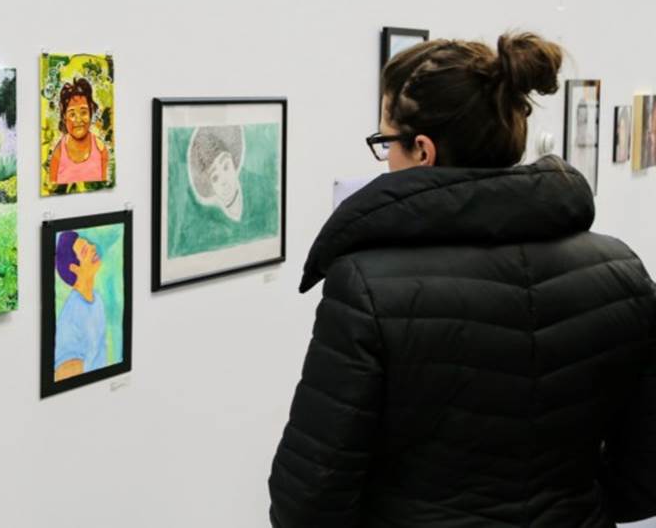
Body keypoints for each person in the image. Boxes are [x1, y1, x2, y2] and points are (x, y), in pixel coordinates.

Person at [269, 33, 656, 527]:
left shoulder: (367, 288)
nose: (386, 158)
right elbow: (643, 477)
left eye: (386, 141)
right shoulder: (622, 270)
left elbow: (307, 502)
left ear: (423, 151)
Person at [53, 231, 108, 381]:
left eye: (89, 243)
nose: (93, 247)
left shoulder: (98, 300)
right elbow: (65, 372)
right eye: (85, 250)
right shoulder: (72, 313)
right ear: (74, 268)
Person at [49, 77, 109, 185]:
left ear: (91, 111)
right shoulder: (58, 153)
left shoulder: (101, 150)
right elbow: (51, 188)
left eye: (83, 112)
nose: (78, 120)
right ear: (64, 116)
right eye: (72, 114)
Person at [188, 125, 245, 222]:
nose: (224, 181)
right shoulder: (209, 219)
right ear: (210, 185)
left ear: (234, 162)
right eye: (215, 178)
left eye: (226, 167)